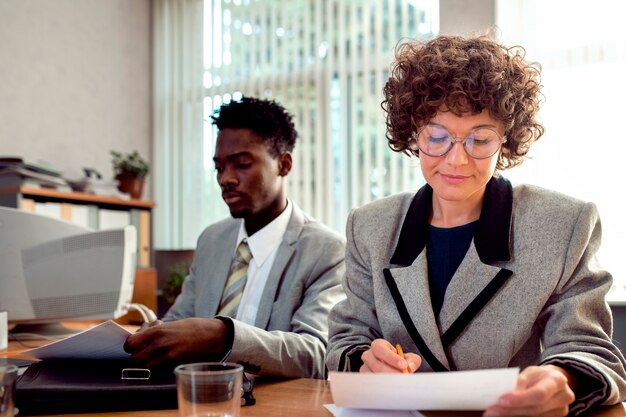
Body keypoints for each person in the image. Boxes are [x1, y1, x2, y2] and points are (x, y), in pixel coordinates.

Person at [325, 35, 626, 416]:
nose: (456, 160)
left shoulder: (564, 224)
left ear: (506, 140)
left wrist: (560, 381)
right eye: (437, 136)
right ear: (413, 135)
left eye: (480, 139)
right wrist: (366, 359)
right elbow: (345, 339)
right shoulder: (369, 227)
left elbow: (591, 351)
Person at [125, 97, 346, 379]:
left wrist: (225, 337)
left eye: (241, 164)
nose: (225, 179)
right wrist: (155, 335)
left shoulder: (326, 250)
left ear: (284, 165)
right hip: (198, 397)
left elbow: (316, 355)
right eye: (219, 168)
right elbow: (177, 321)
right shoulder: (211, 240)